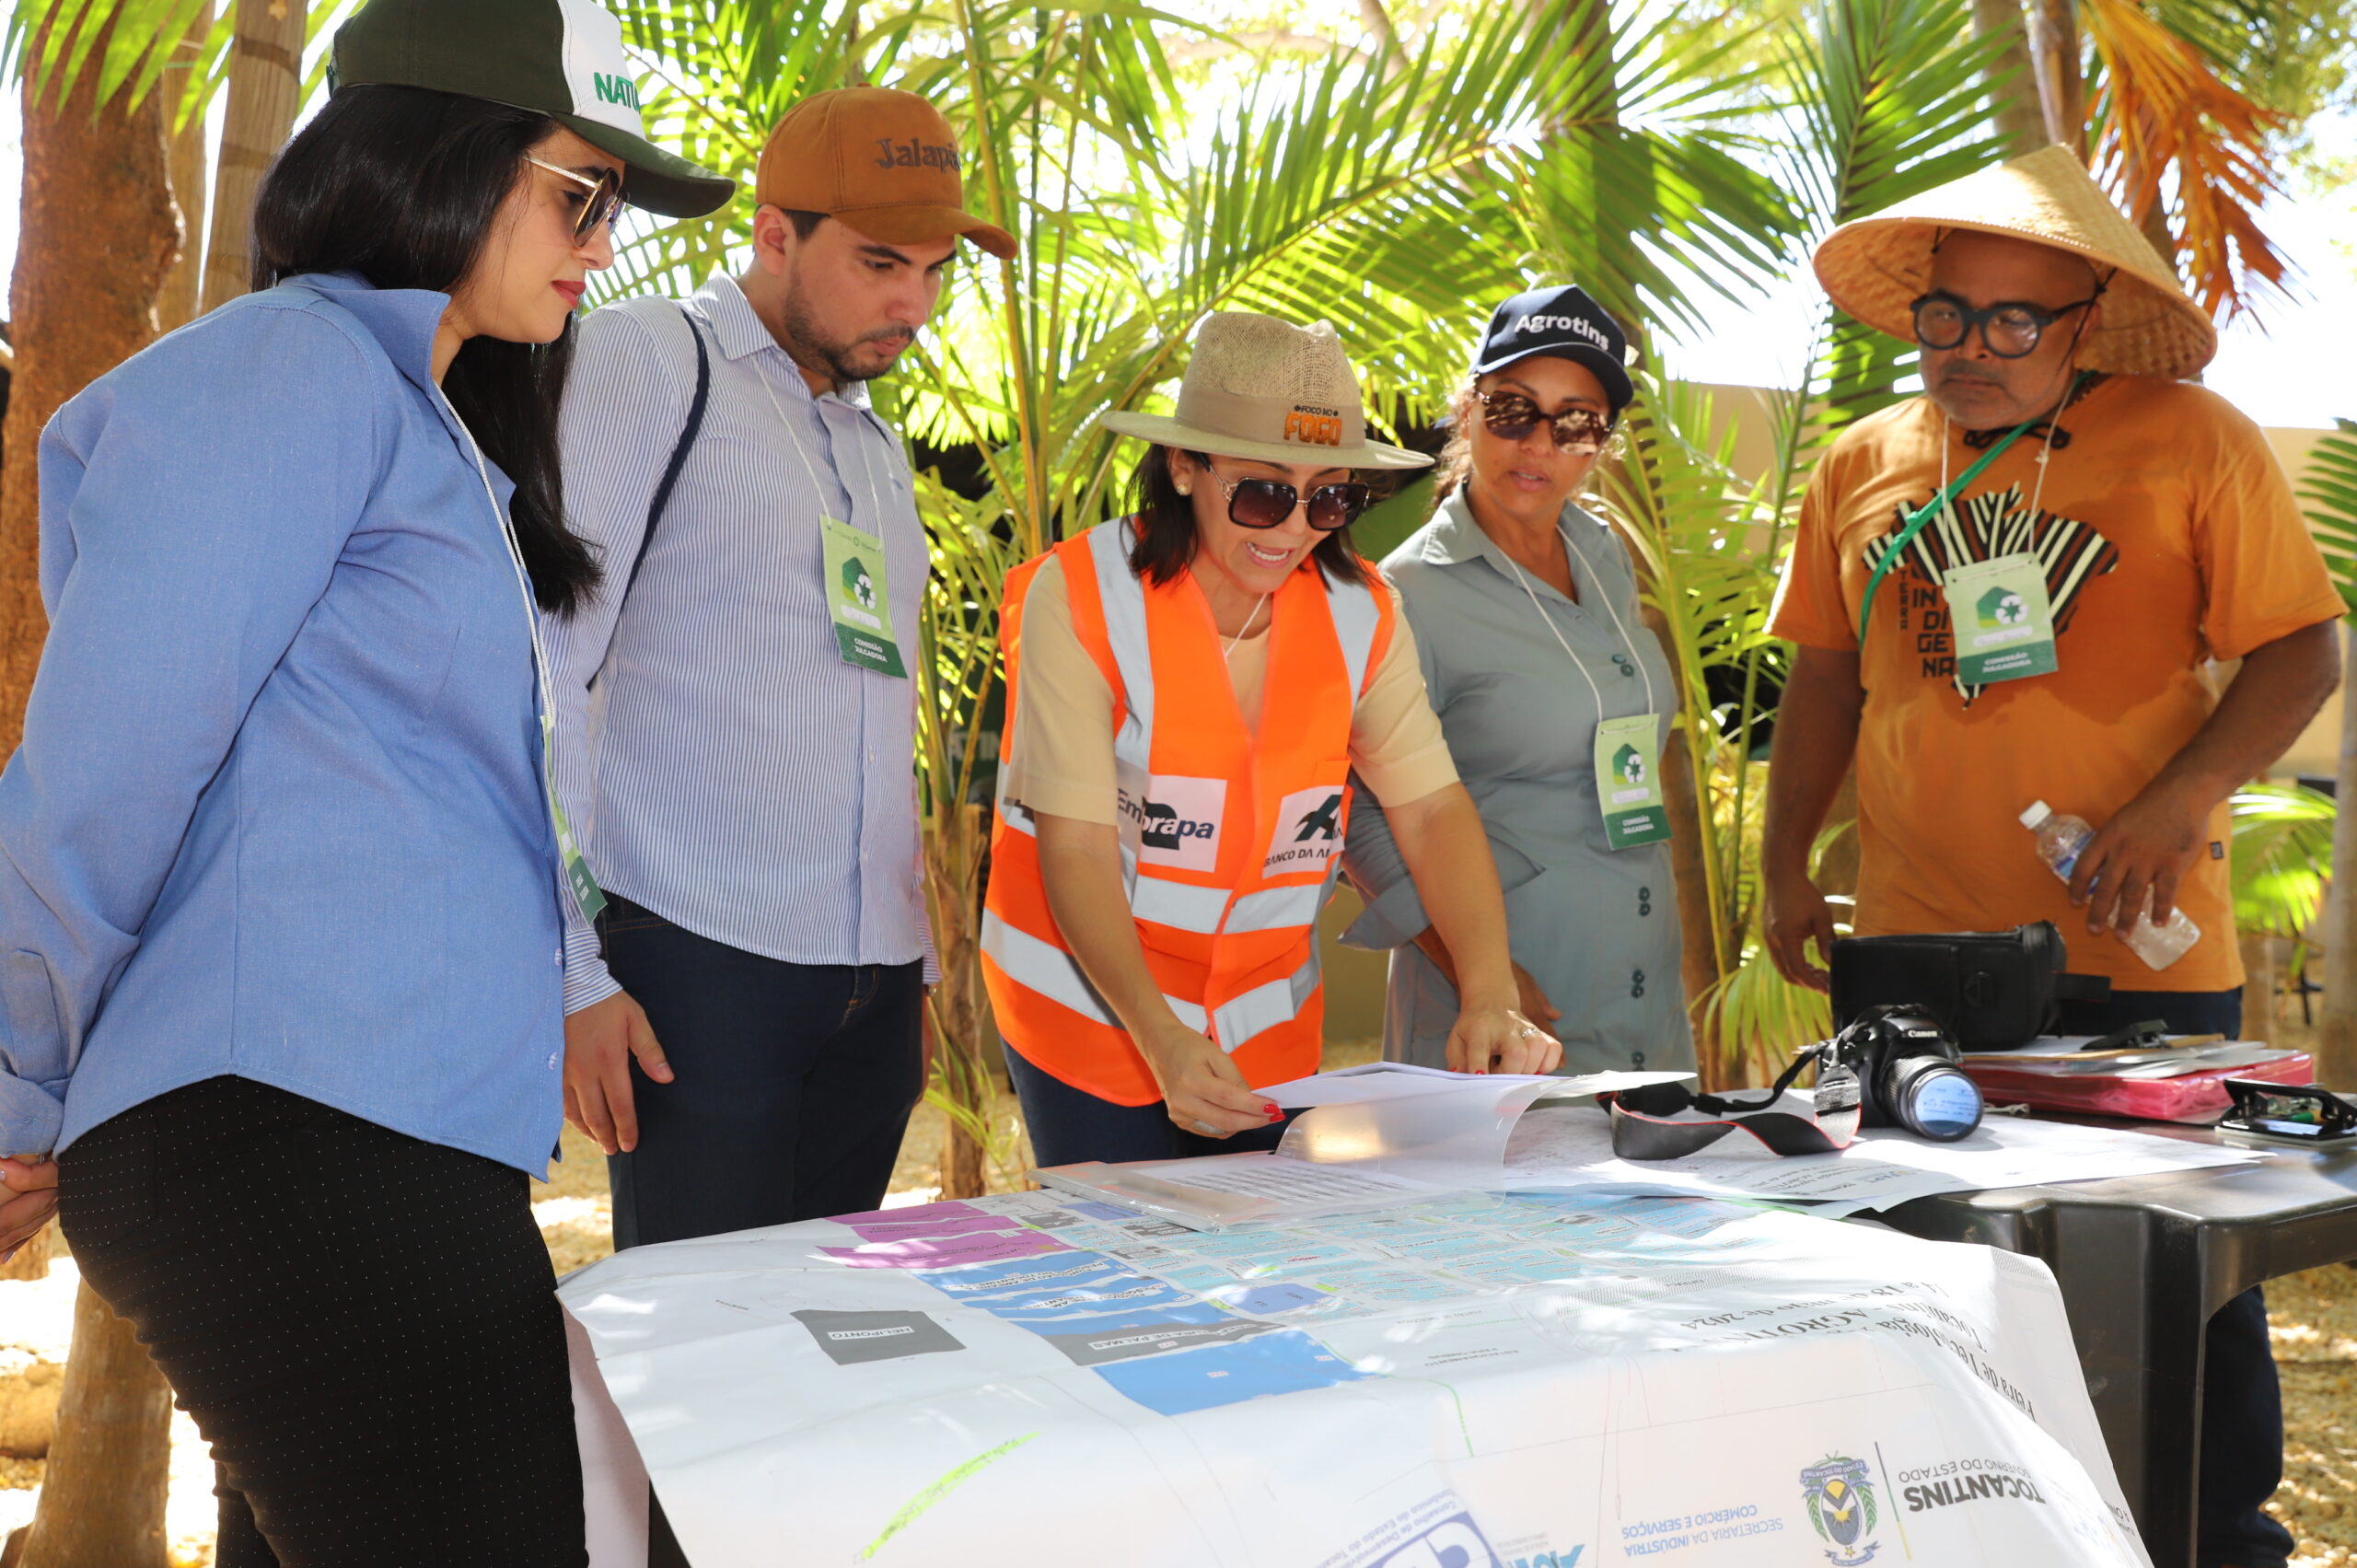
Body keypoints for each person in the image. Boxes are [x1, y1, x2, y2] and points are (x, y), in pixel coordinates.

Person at [0, 0, 733, 1560]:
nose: (604, 246)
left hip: (363, 1132)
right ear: (440, 156)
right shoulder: (292, 373)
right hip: (296, 1131)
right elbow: (105, 766)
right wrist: (11, 1084)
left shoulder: (421, 416)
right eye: (583, 194)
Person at [1762, 145, 2341, 1568]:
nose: (1974, 349)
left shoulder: (2194, 436)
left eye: (2017, 320)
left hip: (2137, 954)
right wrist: (1784, 864)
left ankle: (2211, 1543)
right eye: (1949, 315)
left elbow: (2301, 648)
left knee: (2180, 1306)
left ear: (2086, 319)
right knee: (1927, 1280)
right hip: (1914, 954)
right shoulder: (1859, 462)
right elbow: (1826, 685)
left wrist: (2180, 792)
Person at [551, 87, 1015, 1248]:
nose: (913, 300)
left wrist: (895, 971)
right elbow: (547, 668)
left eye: (934, 266)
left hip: (869, 975)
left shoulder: (872, 443)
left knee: (812, 1344)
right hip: (699, 961)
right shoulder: (655, 360)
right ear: (772, 236)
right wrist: (571, 972)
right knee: (699, 1354)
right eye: (877, 262)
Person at [981, 310, 1562, 1167]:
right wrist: (1160, 1036)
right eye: (1261, 492)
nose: (1293, 529)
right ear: (1183, 466)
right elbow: (1074, 845)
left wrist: (1488, 989)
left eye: (1330, 496)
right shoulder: (1078, 598)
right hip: (1093, 1018)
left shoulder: (1362, 613)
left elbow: (1432, 808)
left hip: (1265, 1037)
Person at [1342, 285, 1694, 1075]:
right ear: (1467, 411)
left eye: (1575, 422)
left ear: (1599, 442)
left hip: (1642, 992)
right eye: (1513, 411)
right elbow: (1357, 813)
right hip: (1507, 1015)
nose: (1540, 443)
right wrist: (1483, 979)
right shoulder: (1404, 594)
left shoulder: (1603, 554)